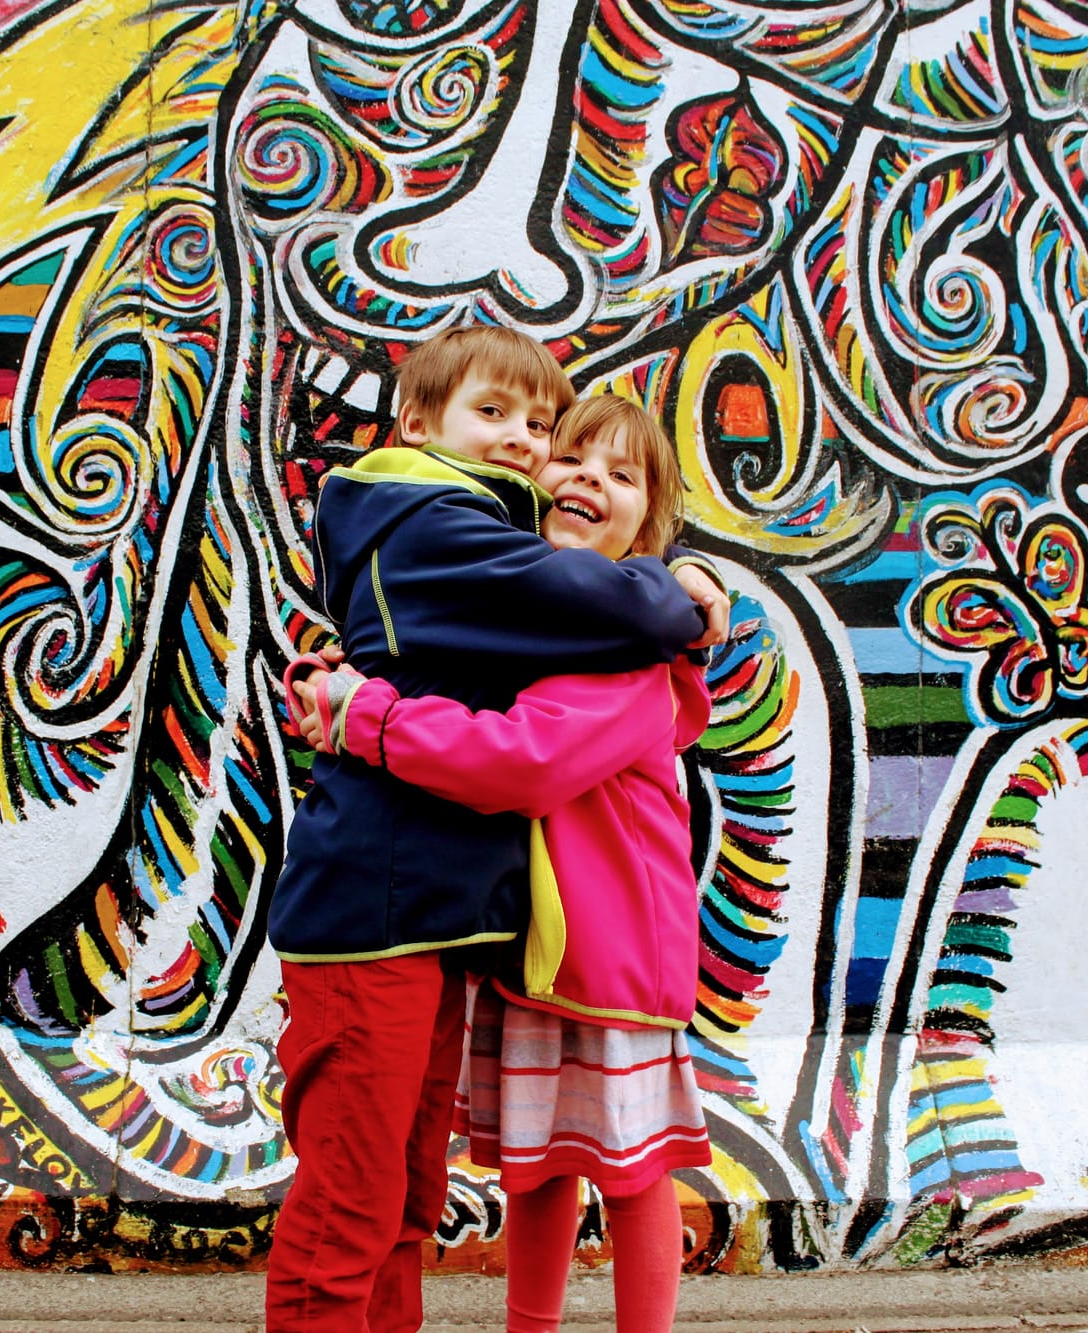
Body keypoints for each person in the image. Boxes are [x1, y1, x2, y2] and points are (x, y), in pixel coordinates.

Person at [264, 328, 726, 1333]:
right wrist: (673, 591)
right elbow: (513, 746)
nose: (523, 438)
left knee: (409, 1191)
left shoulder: (535, 599)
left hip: (504, 940)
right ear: (416, 424)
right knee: (359, 1195)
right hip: (386, 917)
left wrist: (352, 697)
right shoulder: (443, 524)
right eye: (495, 413)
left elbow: (502, 710)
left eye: (537, 422)